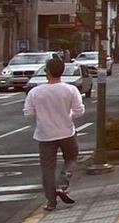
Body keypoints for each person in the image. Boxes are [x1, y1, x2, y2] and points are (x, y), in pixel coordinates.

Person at [24, 56, 85, 212]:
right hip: (66, 131)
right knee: (71, 157)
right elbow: (79, 111)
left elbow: (28, 114)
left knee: (47, 168)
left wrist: (42, 114)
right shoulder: (70, 89)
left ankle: (51, 202)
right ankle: (62, 183)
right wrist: (67, 115)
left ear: (47, 72)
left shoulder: (35, 92)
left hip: (44, 134)